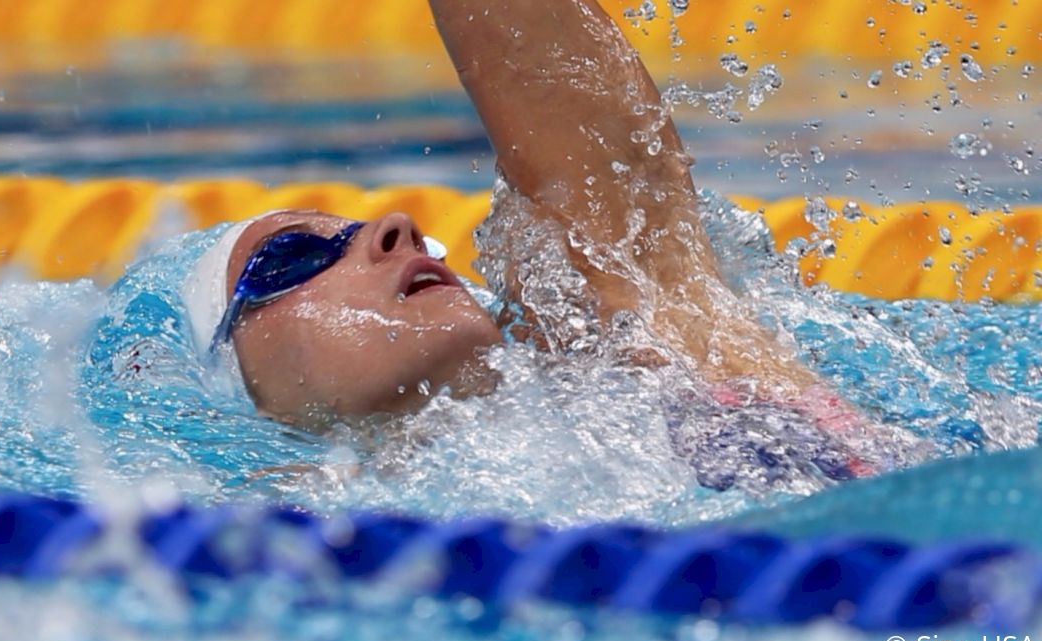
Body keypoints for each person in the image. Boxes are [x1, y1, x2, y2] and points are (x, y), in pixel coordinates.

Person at [180, 0, 862, 455]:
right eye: (293, 255)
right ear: (247, 401)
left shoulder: (646, 370)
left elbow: (617, 201)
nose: (397, 228)